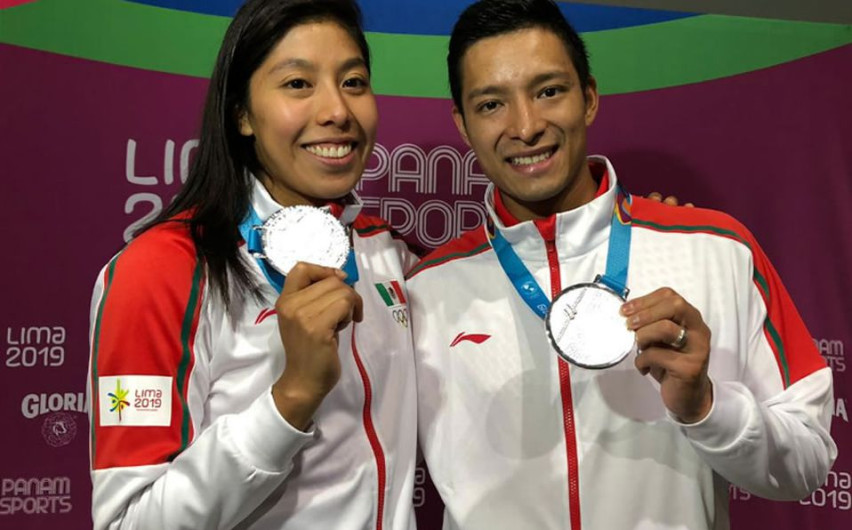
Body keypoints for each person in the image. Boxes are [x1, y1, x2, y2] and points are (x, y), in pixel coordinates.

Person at [405, 1, 837, 529]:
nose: (526, 126)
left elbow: (810, 461)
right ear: (464, 125)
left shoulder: (719, 249)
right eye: (492, 104)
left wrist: (707, 406)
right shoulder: (425, 290)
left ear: (588, 98)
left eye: (548, 91)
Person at [86, 1, 419, 528]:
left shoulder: (385, 252)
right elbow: (127, 521)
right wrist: (290, 400)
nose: (338, 110)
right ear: (241, 112)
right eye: (297, 84)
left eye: (353, 81)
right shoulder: (158, 270)